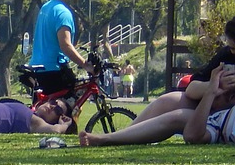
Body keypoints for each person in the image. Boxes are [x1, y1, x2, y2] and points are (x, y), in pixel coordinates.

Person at [80, 65, 235, 146]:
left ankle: (108, 139)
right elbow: (193, 135)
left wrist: (211, 93)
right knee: (176, 114)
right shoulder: (217, 122)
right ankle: (111, 138)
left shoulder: (219, 122)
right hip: (214, 122)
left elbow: (193, 136)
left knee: (178, 117)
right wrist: (210, 91)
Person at [27, 0, 91, 95]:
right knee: (70, 105)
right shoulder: (63, 13)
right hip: (53, 69)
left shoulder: (46, 7)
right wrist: (85, 64)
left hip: (37, 66)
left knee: (44, 110)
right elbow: (65, 45)